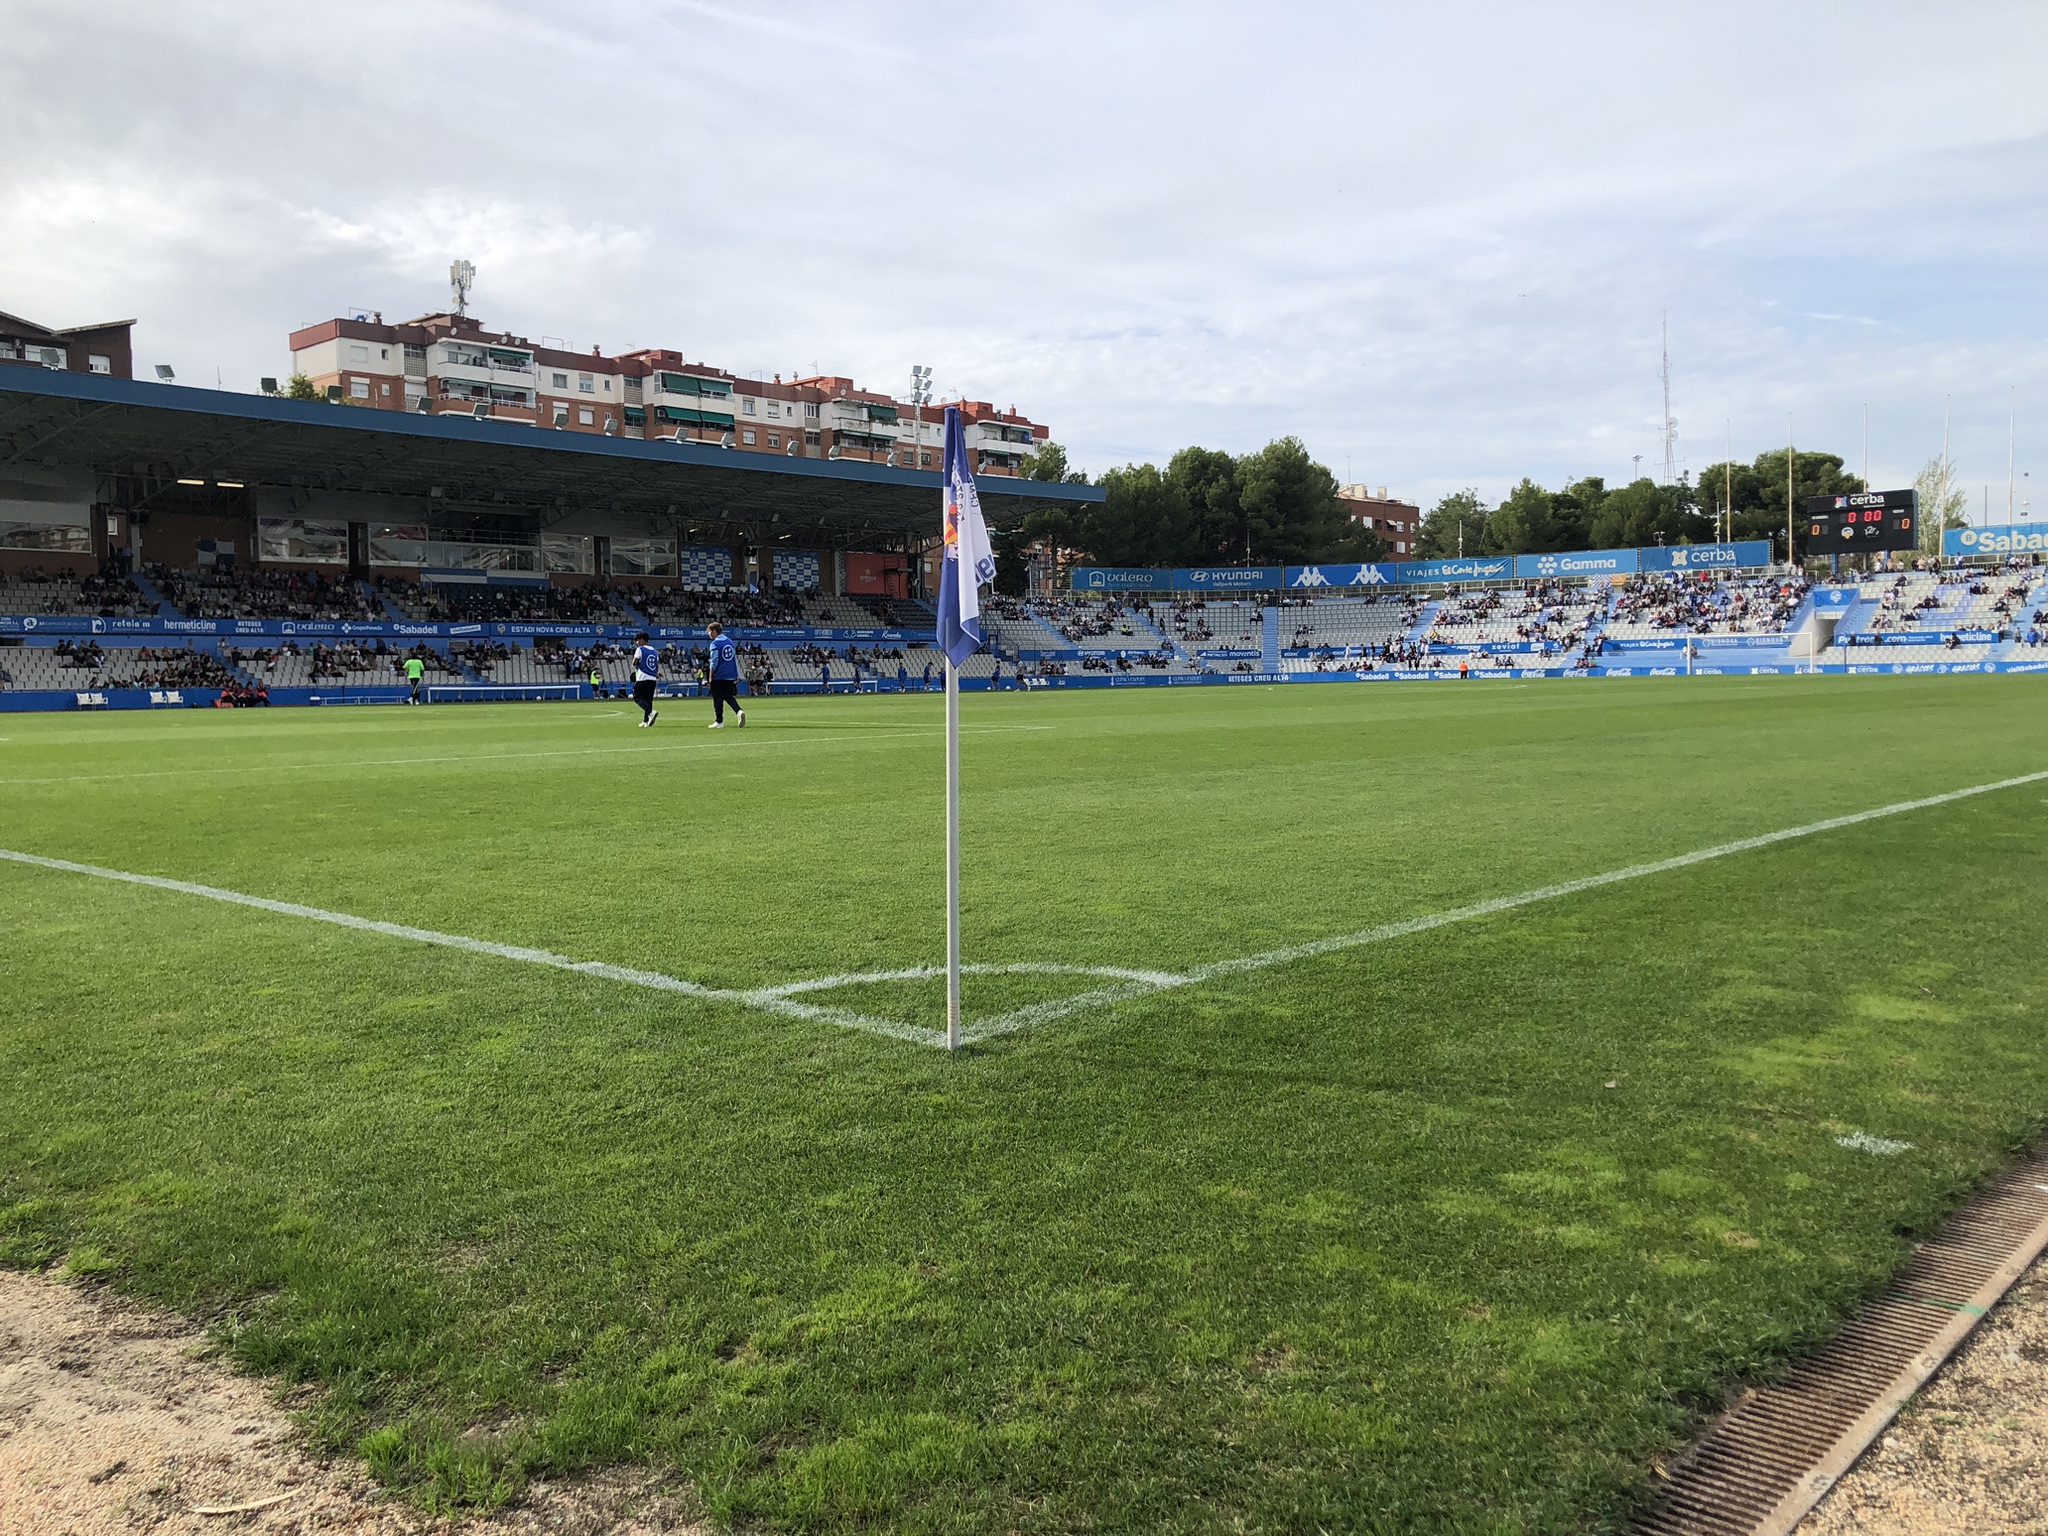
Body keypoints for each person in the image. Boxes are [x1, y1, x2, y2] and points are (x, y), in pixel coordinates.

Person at [707, 621, 744, 728]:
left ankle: (719, 721)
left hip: (719, 675)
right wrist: (736, 674)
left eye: (709, 631)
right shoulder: (729, 641)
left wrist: (710, 677)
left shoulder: (715, 644)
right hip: (730, 674)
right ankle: (739, 711)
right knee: (728, 696)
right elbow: (733, 659)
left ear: (714, 631)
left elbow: (714, 662)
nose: (709, 634)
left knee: (717, 697)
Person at [630, 631, 660, 726]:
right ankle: (646, 721)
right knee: (648, 699)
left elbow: (634, 662)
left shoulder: (640, 649)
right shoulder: (655, 652)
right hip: (652, 678)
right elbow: (656, 665)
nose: (637, 642)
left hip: (643, 677)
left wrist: (637, 663)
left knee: (637, 696)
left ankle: (650, 712)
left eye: (638, 640)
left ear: (642, 640)